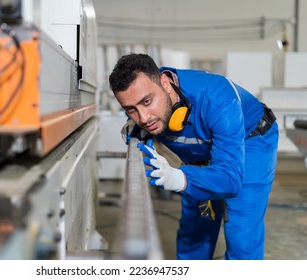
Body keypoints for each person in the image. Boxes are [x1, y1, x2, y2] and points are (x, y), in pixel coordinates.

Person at [108, 53, 278, 260]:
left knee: (242, 233)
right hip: (202, 146)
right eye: (131, 110)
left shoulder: (218, 98)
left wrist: (179, 178)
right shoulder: (145, 101)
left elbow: (230, 179)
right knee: (196, 226)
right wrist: (135, 128)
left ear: (165, 83)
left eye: (147, 101)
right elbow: (140, 114)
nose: (143, 117)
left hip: (249, 139)